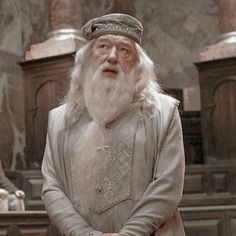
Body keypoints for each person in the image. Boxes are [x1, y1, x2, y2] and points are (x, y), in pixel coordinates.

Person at [41, 13, 186, 236]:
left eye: (124, 50)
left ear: (137, 64)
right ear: (88, 58)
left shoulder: (163, 113)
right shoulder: (60, 120)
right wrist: (84, 234)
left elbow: (168, 186)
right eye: (103, 47)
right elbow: (52, 189)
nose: (112, 57)